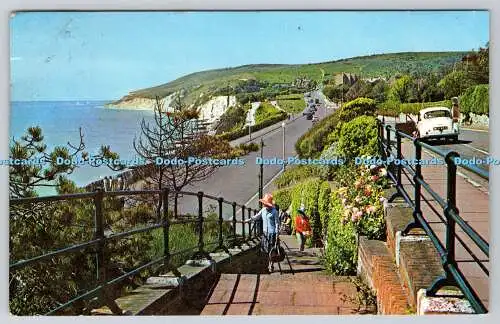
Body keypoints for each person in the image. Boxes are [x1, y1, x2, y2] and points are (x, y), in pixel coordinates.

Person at [244, 193, 280, 273]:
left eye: (265, 204)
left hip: (272, 233)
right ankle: (268, 263)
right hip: (265, 233)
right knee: (265, 251)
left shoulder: (274, 212)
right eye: (264, 204)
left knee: (271, 251)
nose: (264, 205)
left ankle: (271, 264)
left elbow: (277, 223)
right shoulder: (263, 210)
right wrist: (248, 220)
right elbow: (257, 216)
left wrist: (277, 234)